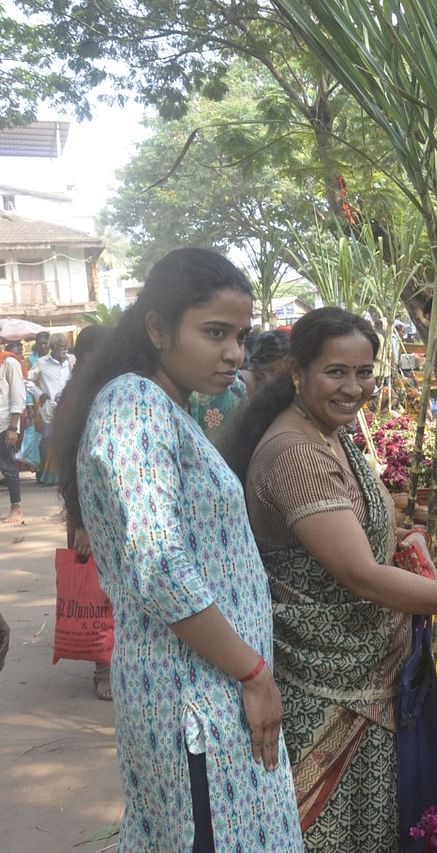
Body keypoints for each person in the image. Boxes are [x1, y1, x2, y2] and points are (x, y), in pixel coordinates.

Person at [224, 306, 437, 851]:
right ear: (298, 373)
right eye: (336, 372)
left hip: (367, 676)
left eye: (364, 371)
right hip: (328, 687)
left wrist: (400, 538)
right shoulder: (294, 454)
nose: (353, 387)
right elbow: (360, 575)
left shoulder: (332, 435)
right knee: (336, 830)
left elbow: (357, 537)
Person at [55, 248, 304, 851]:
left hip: (209, 689)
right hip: (196, 699)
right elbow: (160, 564)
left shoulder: (166, 408)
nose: (234, 354)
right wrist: (253, 673)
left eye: (240, 336)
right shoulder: (134, 408)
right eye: (215, 333)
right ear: (159, 329)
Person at [56, 324, 115, 699]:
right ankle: (103, 667)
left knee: (117, 590)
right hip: (87, 516)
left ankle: (116, 659)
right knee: (97, 592)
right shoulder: (75, 398)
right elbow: (68, 466)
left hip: (116, 510)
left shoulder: (117, 390)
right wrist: (80, 524)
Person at [28, 332, 74, 485]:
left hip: (69, 408)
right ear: (53, 348)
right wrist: (40, 395)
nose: (65, 349)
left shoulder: (72, 361)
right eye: (61, 346)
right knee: (49, 441)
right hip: (50, 410)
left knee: (68, 440)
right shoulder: (42, 363)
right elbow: (28, 381)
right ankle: (47, 473)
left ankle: (66, 474)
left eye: (66, 346)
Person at [1, 341, 25, 524]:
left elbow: (18, 394)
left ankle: (16, 509)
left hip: (4, 424)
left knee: (8, 468)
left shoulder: (9, 363)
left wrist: (13, 428)